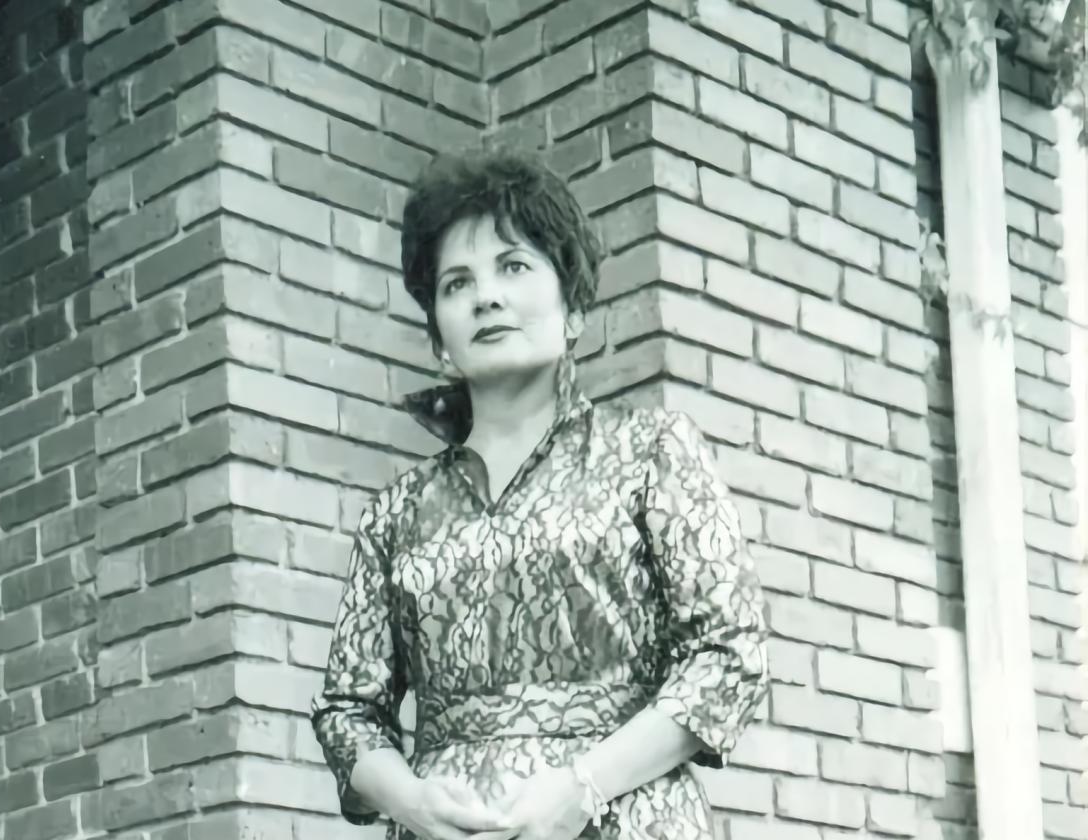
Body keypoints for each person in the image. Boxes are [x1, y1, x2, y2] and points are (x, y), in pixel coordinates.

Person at [310, 149, 770, 840]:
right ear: (439, 340)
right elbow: (348, 710)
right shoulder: (397, 514)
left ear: (572, 307)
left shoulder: (650, 453)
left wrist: (585, 786)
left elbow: (730, 655)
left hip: (626, 819)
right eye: (456, 283)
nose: (486, 295)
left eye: (514, 266)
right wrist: (408, 799)